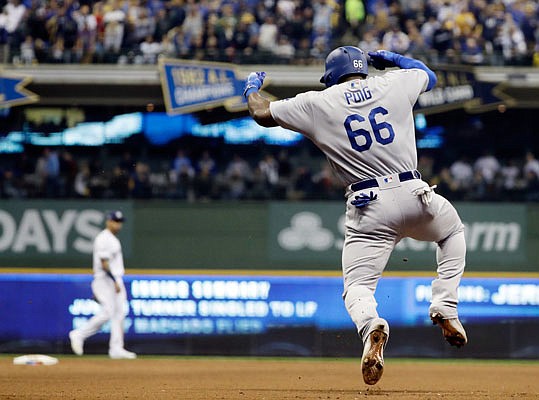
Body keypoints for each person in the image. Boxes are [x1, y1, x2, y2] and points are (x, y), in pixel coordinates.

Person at [244, 46, 467, 385]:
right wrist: (392, 59)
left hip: (369, 204)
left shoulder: (318, 102)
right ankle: (445, 306)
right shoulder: (394, 82)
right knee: (451, 233)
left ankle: (371, 326)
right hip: (414, 191)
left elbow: (261, 113)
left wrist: (250, 88)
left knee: (358, 286)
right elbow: (429, 74)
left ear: (331, 76)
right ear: (364, 69)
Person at [69, 210, 136, 359]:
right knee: (107, 313)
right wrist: (113, 281)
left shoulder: (112, 239)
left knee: (119, 314)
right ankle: (78, 334)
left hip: (113, 280)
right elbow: (104, 263)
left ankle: (116, 348)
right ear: (108, 221)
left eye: (120, 222)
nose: (118, 225)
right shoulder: (103, 238)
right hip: (106, 279)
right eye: (115, 221)